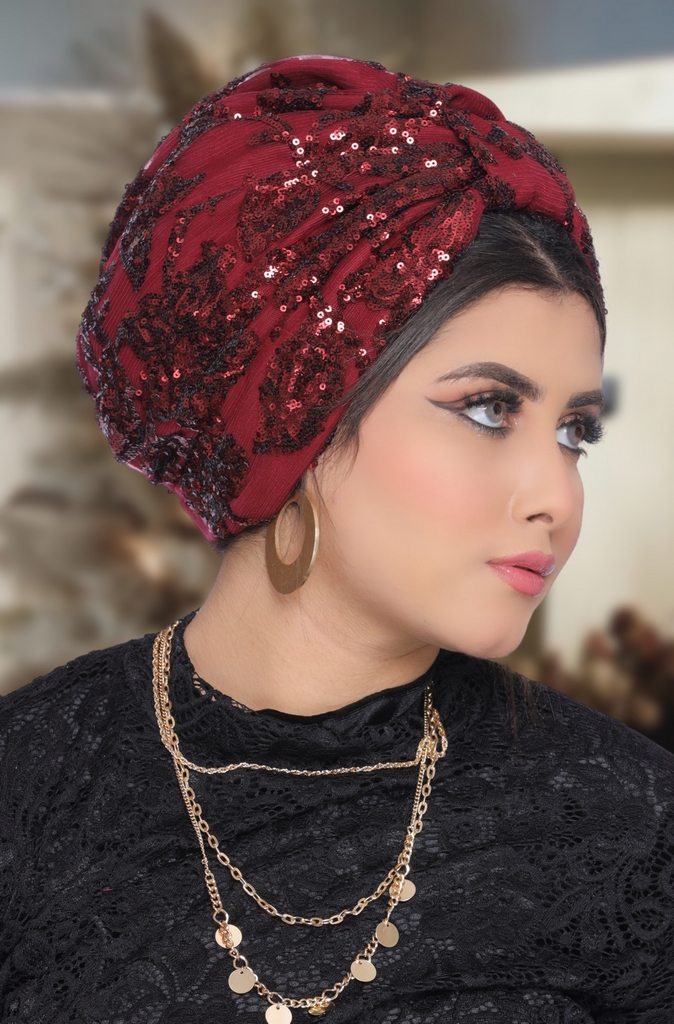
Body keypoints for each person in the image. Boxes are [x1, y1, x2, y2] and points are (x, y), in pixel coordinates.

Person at [1, 55, 673, 1024]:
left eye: (575, 431)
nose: (556, 497)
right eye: (488, 408)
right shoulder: (27, 787)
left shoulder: (628, 825)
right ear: (298, 418)